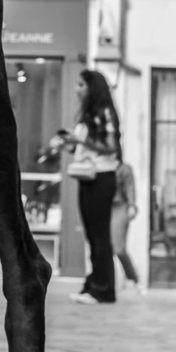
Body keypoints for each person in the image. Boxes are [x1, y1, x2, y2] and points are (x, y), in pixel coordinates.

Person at [56, 68, 125, 304]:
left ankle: (103, 289)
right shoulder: (87, 115)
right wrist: (69, 144)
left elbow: (110, 147)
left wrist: (79, 140)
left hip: (102, 177)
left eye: (81, 85)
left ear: (92, 88)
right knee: (92, 234)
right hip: (87, 178)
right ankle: (93, 285)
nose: (77, 89)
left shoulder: (105, 113)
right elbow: (83, 148)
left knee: (100, 234)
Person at [112, 158, 144, 294]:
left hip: (119, 208)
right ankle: (108, 283)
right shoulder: (99, 165)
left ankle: (134, 278)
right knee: (103, 249)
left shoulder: (124, 169)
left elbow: (130, 188)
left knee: (119, 248)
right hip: (102, 208)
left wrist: (132, 205)